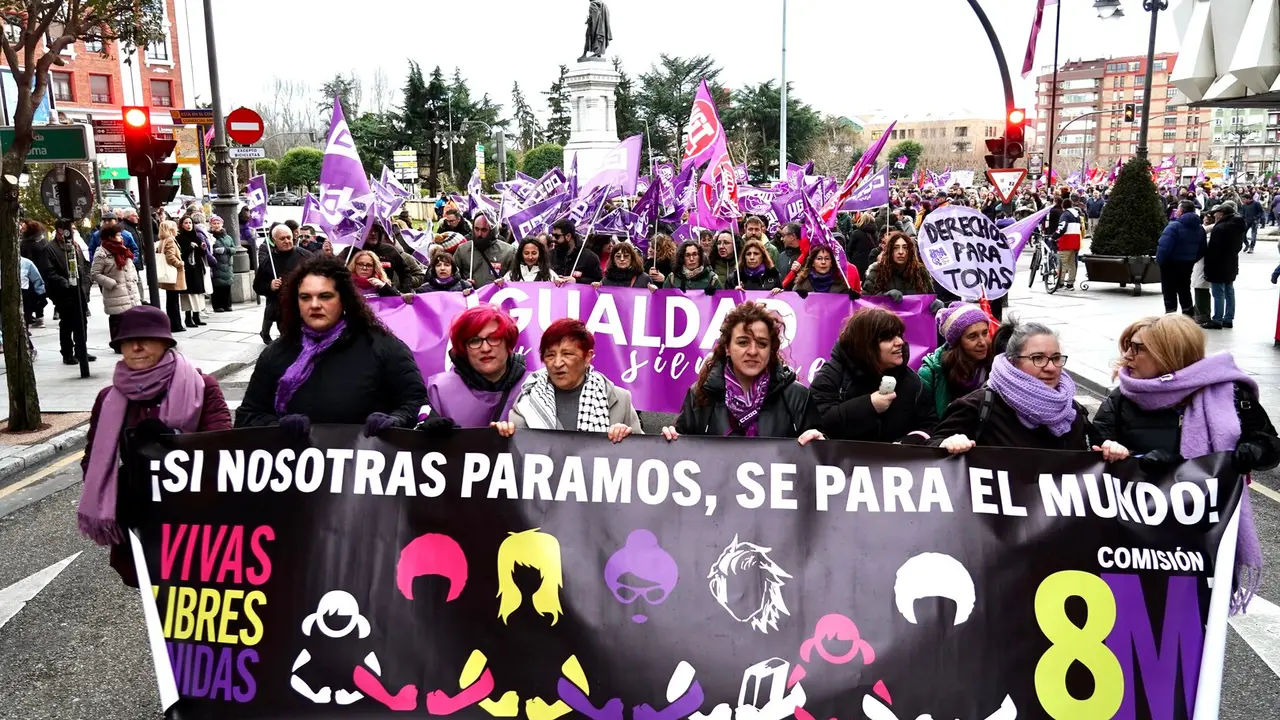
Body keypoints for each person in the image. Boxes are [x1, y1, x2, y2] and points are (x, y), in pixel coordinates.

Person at [1093, 314, 1276, 612]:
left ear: (1169, 352)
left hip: (1204, 536)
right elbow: (1096, 448)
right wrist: (1124, 456)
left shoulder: (1229, 394)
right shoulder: (1122, 399)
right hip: (1138, 539)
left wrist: (1252, 450)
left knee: (1196, 625)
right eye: (1127, 346)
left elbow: (1269, 444)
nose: (1127, 355)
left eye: (1138, 348)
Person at [78, 305, 232, 586]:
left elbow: (224, 451)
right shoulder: (107, 398)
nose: (136, 347)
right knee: (155, 606)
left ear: (165, 342)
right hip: (139, 520)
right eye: (126, 341)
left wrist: (172, 444)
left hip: (194, 520)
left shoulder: (202, 386)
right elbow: (92, 459)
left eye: (145, 339)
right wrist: (122, 493)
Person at [236, 255, 428, 431]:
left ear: (343, 300)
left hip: (366, 463)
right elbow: (248, 415)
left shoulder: (383, 346)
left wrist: (397, 419)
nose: (314, 305)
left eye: (325, 296)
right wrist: (277, 427)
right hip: (296, 464)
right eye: (305, 297)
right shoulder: (276, 353)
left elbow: (418, 404)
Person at [661, 301, 822, 442]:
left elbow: (820, 461)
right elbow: (682, 456)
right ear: (727, 348)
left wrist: (821, 443)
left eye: (761, 343)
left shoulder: (797, 397)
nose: (753, 351)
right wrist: (672, 441)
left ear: (771, 350)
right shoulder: (700, 394)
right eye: (743, 342)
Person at [931, 319, 1094, 453]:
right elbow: (929, 450)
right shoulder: (977, 407)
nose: (1050, 367)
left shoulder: (1071, 409)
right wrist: (947, 444)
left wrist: (1109, 448)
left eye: (1056, 358)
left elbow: (1096, 448)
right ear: (1013, 362)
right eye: (1038, 358)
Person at [493, 318, 640, 441]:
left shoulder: (619, 400)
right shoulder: (527, 401)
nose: (557, 363)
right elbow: (517, 459)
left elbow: (642, 456)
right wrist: (502, 438)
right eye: (550, 355)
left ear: (588, 357)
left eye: (567, 354)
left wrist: (627, 439)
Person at [810, 307, 938, 443]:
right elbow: (818, 423)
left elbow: (931, 425)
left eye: (899, 335)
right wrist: (868, 406)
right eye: (888, 338)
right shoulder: (832, 376)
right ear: (866, 344)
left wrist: (913, 440)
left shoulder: (912, 382)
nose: (900, 342)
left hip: (895, 463)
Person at [424, 305, 527, 428]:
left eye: (494, 338)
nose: (485, 348)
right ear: (464, 348)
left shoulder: (533, 387)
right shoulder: (439, 389)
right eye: (474, 341)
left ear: (508, 343)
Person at [29, 221, 96, 364]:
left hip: (80, 291)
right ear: (60, 230)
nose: (73, 231)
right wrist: (66, 285)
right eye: (70, 229)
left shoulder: (75, 245)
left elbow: (85, 265)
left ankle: (81, 350)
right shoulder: (50, 249)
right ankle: (67, 352)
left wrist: (87, 282)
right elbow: (49, 272)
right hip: (63, 294)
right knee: (67, 323)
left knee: (82, 321)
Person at [917, 302, 993, 419]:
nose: (982, 342)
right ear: (956, 342)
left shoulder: (996, 366)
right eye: (972, 336)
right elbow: (925, 420)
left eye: (985, 333)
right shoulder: (931, 373)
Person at [253, 224, 310, 345]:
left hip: (304, 307)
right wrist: (270, 286)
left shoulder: (306, 256)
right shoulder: (268, 262)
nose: (287, 241)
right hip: (282, 310)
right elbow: (257, 286)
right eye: (282, 238)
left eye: (289, 237)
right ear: (274, 240)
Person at [89, 225, 142, 347]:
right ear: (110, 237)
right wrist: (111, 283)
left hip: (129, 288)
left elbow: (130, 266)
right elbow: (95, 273)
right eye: (118, 235)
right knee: (117, 319)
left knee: (131, 318)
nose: (121, 237)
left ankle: (129, 342)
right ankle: (118, 344)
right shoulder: (101, 253)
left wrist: (134, 278)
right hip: (115, 291)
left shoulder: (123, 248)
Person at [1155, 199, 1206, 316]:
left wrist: (1160, 261)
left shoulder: (1173, 227)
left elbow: (1164, 247)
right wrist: (1192, 259)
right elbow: (1202, 248)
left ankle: (1170, 314)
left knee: (1169, 290)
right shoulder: (1199, 228)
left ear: (1181, 211)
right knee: (1184, 289)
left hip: (1170, 263)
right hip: (1187, 264)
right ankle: (1188, 314)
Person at [1202, 200, 1245, 330]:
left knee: (1218, 293)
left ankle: (1217, 320)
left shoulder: (1220, 228)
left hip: (1218, 265)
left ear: (1221, 214)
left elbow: (1213, 250)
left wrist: (1208, 267)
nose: (1214, 216)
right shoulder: (1238, 225)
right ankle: (1228, 318)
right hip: (1231, 262)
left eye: (1216, 213)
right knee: (1229, 291)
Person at [864, 231, 934, 302]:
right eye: (896, 247)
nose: (901, 252)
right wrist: (884, 297)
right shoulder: (877, 272)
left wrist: (935, 303)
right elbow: (865, 301)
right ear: (890, 250)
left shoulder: (921, 272)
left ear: (910, 251)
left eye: (905, 247)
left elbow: (930, 296)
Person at [453, 213, 514, 288]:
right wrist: (463, 284)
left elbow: (515, 278)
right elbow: (452, 277)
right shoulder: (462, 250)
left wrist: (505, 281)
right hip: (470, 297)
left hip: (496, 297)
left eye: (484, 230)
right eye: (476, 229)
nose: (479, 234)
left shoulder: (508, 251)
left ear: (492, 230)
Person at [175, 216, 210, 327]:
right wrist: (190, 247)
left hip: (197, 268)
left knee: (198, 293)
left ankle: (197, 316)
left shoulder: (196, 236)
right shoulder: (180, 238)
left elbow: (202, 253)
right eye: (186, 223)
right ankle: (188, 318)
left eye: (190, 223)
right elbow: (181, 254)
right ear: (181, 225)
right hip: (187, 269)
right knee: (188, 294)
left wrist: (202, 248)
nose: (189, 225)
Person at [154, 220, 185, 334]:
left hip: (168, 273)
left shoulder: (163, 240)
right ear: (171, 229)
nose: (177, 229)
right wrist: (179, 263)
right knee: (173, 300)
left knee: (171, 299)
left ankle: (174, 323)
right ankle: (175, 324)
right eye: (175, 227)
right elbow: (170, 256)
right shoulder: (170, 240)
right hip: (172, 273)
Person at [549, 219, 603, 283]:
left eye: (556, 236)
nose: (553, 239)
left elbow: (598, 281)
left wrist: (577, 281)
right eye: (552, 235)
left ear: (568, 236)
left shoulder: (590, 257)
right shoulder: (549, 255)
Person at [405, 248, 475, 295]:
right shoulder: (423, 290)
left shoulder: (464, 286)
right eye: (438, 265)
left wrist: (469, 294)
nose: (442, 268)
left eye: (446, 265)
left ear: (453, 268)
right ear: (434, 269)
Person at [208, 215, 237, 312]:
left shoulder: (228, 237)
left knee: (227, 286)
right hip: (216, 265)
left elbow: (234, 248)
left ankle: (227, 305)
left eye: (218, 223)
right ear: (211, 224)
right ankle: (217, 306)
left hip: (227, 265)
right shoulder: (209, 237)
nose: (216, 225)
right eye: (214, 223)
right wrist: (215, 251)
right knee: (217, 286)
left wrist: (227, 250)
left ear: (222, 224)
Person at [1054, 199, 1083, 290]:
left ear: (1063, 206)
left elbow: (1062, 227)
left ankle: (1060, 282)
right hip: (1075, 241)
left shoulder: (1065, 215)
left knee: (1062, 263)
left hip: (1066, 241)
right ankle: (1070, 283)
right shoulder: (1077, 215)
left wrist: (1054, 236)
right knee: (1072, 264)